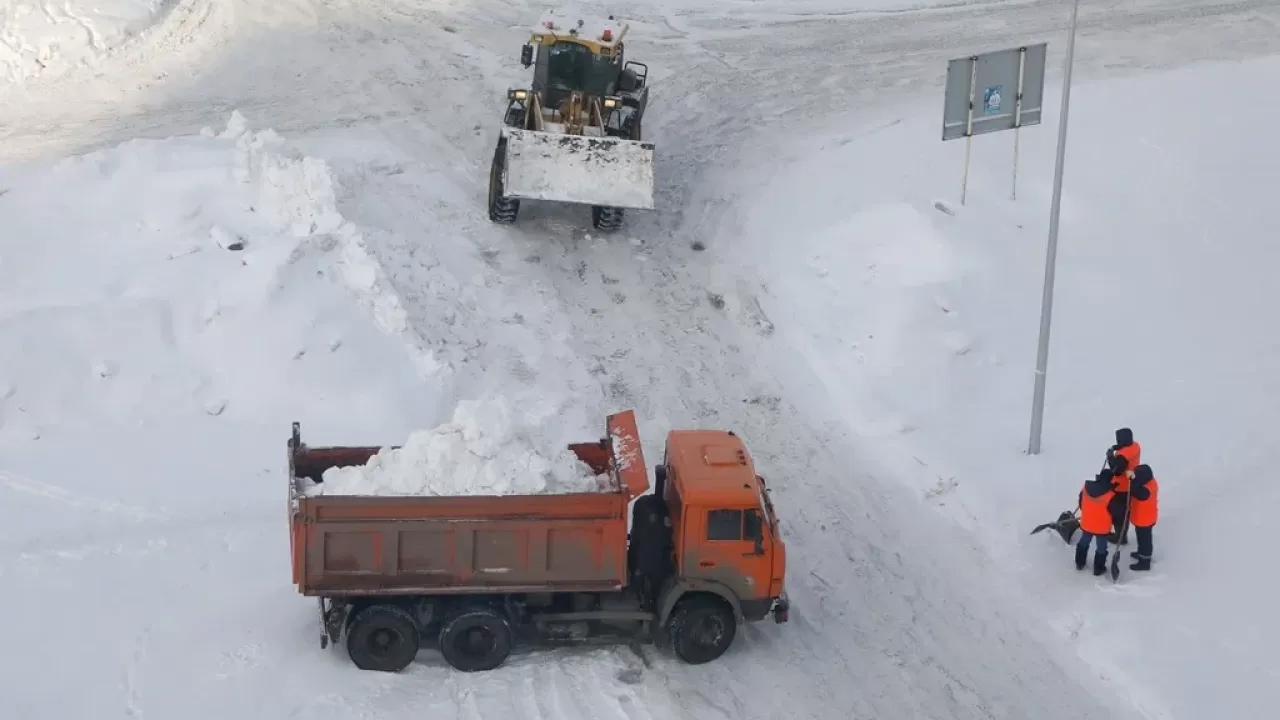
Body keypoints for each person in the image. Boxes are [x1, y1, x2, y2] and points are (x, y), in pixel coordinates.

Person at [1076, 471, 1116, 576]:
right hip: (1101, 527)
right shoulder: (1110, 495)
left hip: (1087, 523)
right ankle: (1098, 568)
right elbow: (1116, 512)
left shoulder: (1086, 488)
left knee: (1084, 542)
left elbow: (1081, 503)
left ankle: (1079, 563)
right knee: (1101, 547)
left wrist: (1089, 513)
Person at [1105, 428, 1141, 544]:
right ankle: (1122, 534)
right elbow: (1125, 450)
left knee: (1118, 512)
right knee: (1125, 511)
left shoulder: (1122, 456)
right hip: (1130, 484)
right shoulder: (1135, 446)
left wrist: (1110, 457)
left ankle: (1119, 537)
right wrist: (1116, 448)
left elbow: (1116, 470)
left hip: (1121, 487)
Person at [1128, 464, 1159, 571]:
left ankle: (1145, 562)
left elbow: (1134, 490)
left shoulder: (1145, 491)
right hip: (1144, 517)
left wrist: (1132, 479)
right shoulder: (1150, 482)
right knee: (1142, 538)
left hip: (1145, 519)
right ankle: (1141, 553)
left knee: (1145, 540)